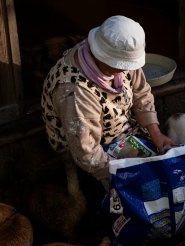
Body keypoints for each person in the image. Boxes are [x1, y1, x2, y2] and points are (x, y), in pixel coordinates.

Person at [40, 15, 176, 185]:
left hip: (123, 131)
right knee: (147, 186)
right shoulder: (75, 91)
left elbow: (141, 93)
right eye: (121, 66)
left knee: (168, 168)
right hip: (93, 148)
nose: (126, 70)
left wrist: (156, 134)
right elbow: (87, 152)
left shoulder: (121, 57)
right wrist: (123, 174)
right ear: (102, 56)